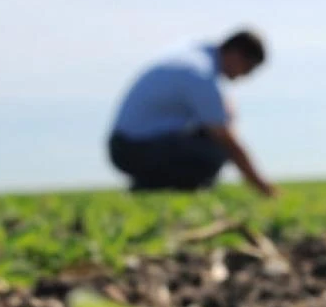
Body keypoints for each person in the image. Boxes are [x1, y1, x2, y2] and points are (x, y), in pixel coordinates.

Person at [107, 29, 277, 197]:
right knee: (215, 150)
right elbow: (227, 140)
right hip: (133, 148)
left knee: (208, 141)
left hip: (128, 144)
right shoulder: (201, 74)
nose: (244, 76)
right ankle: (152, 187)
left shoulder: (195, 57)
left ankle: (152, 185)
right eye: (247, 69)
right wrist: (262, 186)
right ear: (235, 54)